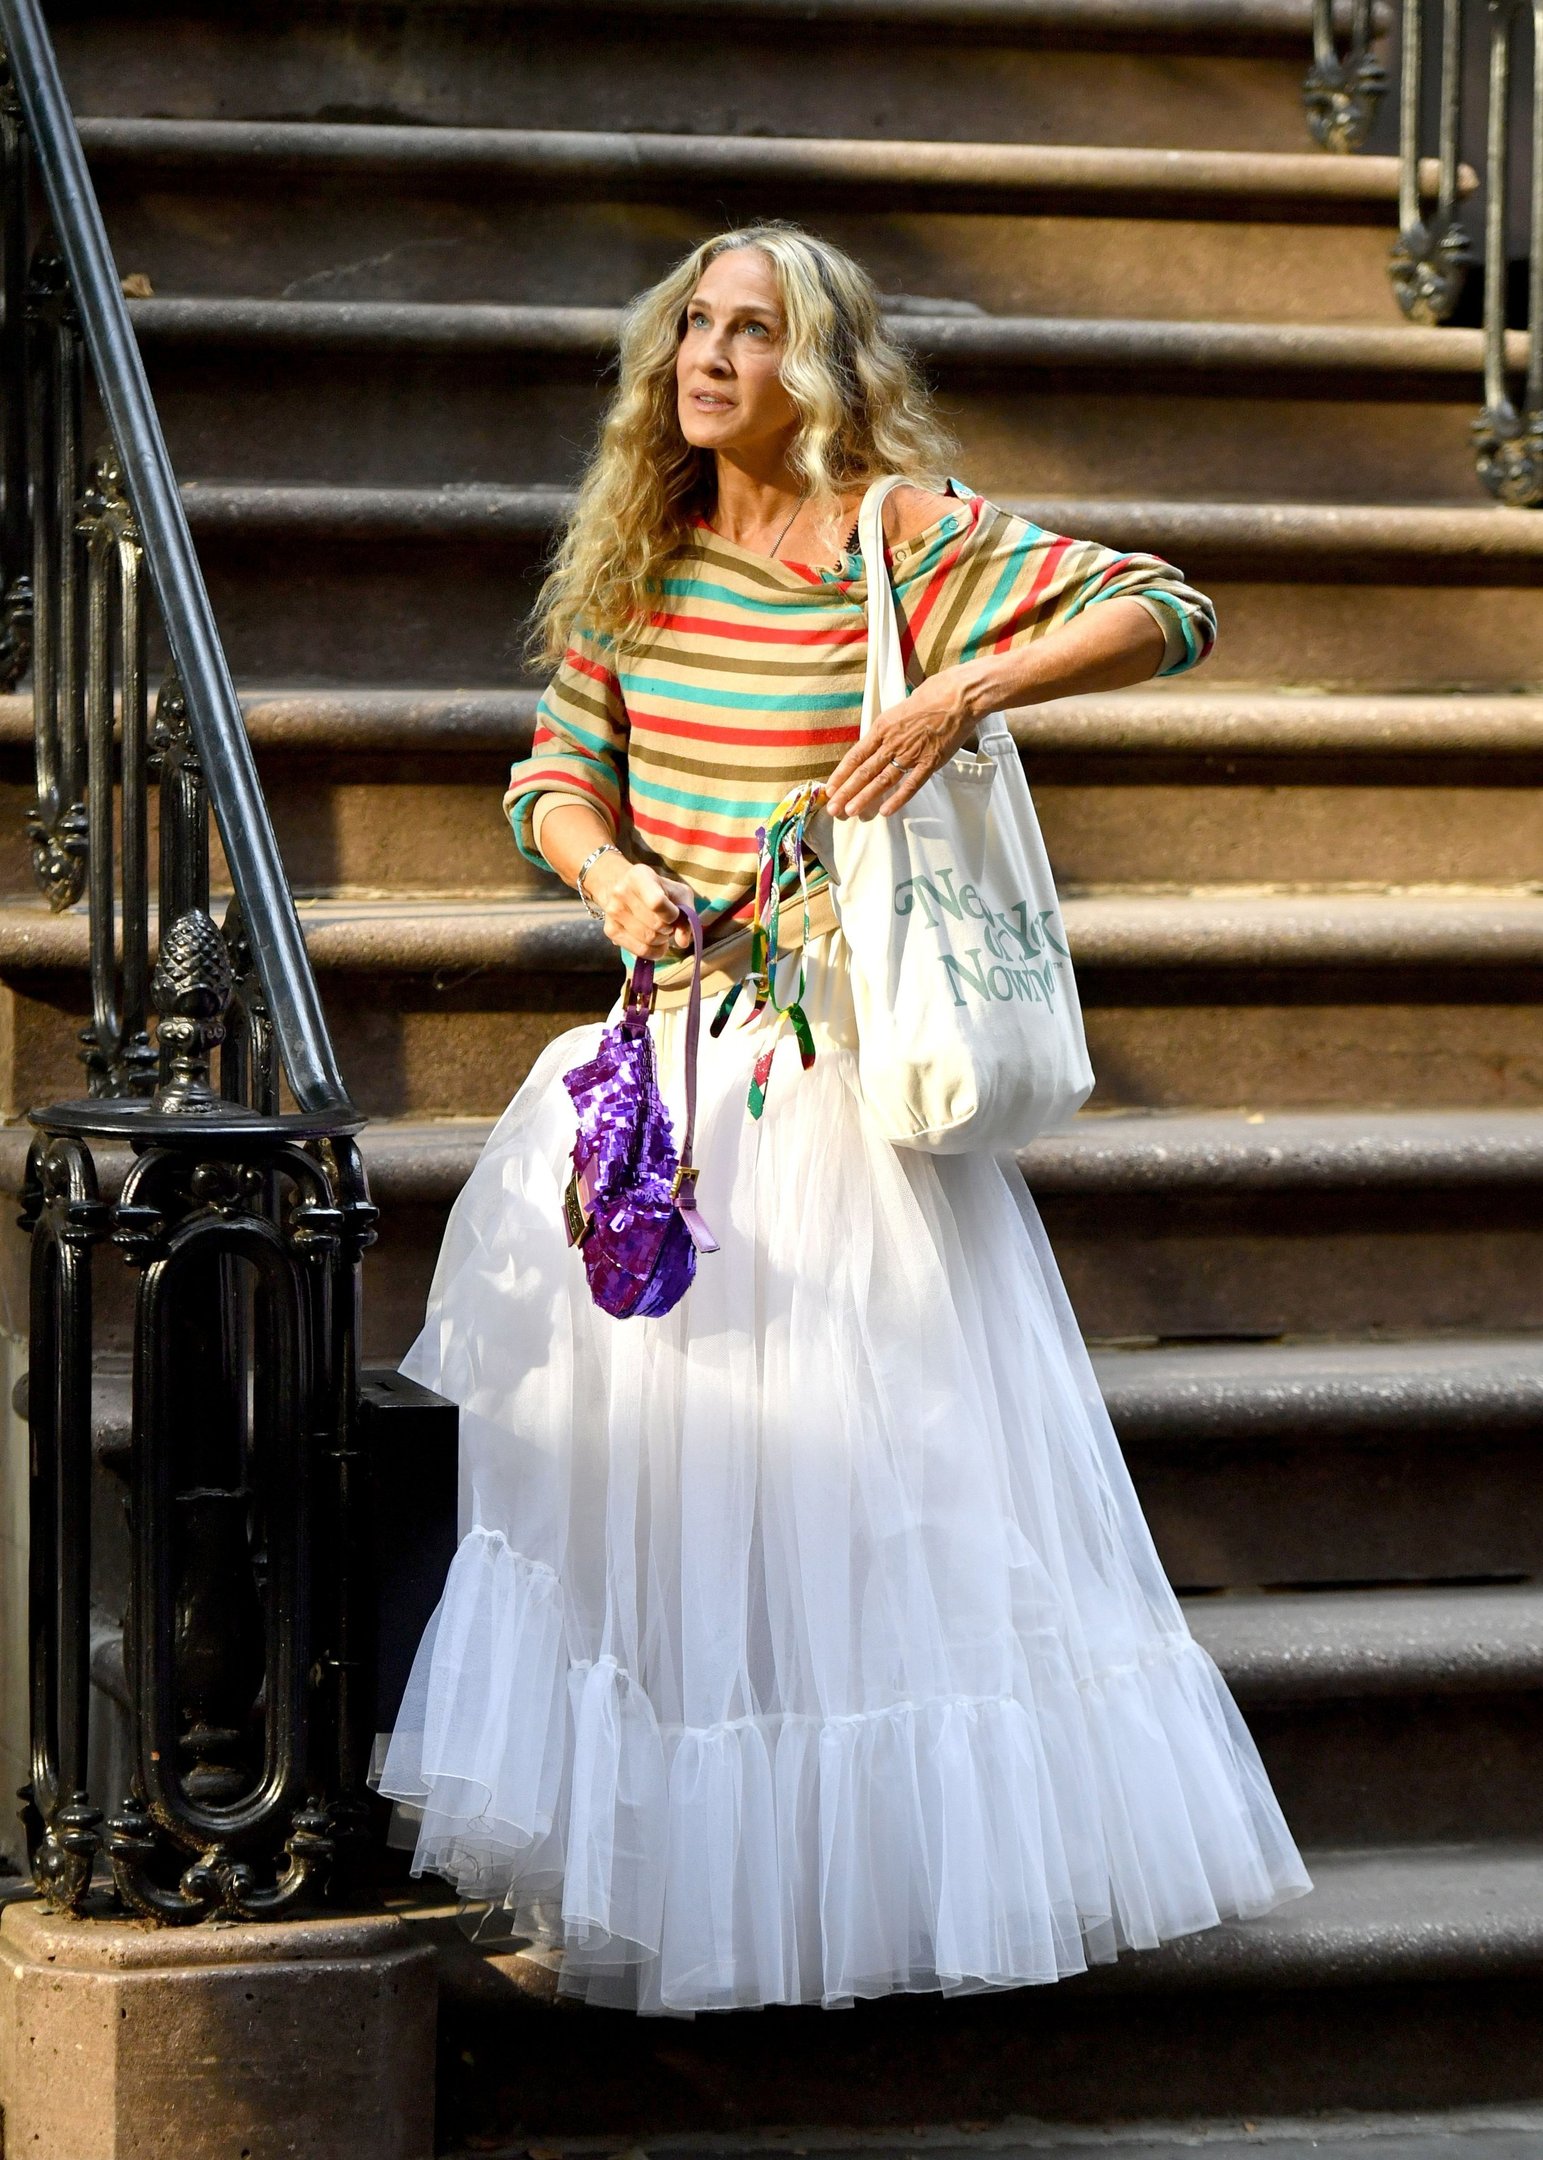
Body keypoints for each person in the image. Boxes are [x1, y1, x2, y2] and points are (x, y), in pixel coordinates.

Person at [373, 221, 1310, 2017]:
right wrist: (607, 872)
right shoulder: (631, 566)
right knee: (651, 1496)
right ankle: (670, 1874)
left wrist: (959, 690)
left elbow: (1165, 606)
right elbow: (552, 772)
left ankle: (864, 1894)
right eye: (691, 328)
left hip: (830, 1089)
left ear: (826, 365)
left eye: (755, 330)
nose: (710, 359)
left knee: (851, 1512)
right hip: (663, 1079)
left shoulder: (894, 532)